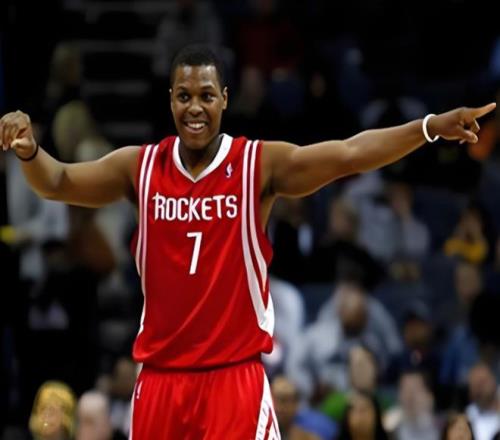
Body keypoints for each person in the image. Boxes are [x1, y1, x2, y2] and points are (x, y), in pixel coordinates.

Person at [0, 44, 495, 439]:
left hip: (232, 379)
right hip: (160, 380)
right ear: (170, 100)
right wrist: (30, 152)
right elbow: (59, 181)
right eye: (184, 96)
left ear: (225, 98)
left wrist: (427, 128)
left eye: (206, 95)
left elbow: (348, 154)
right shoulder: (141, 167)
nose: (195, 108)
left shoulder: (258, 165)